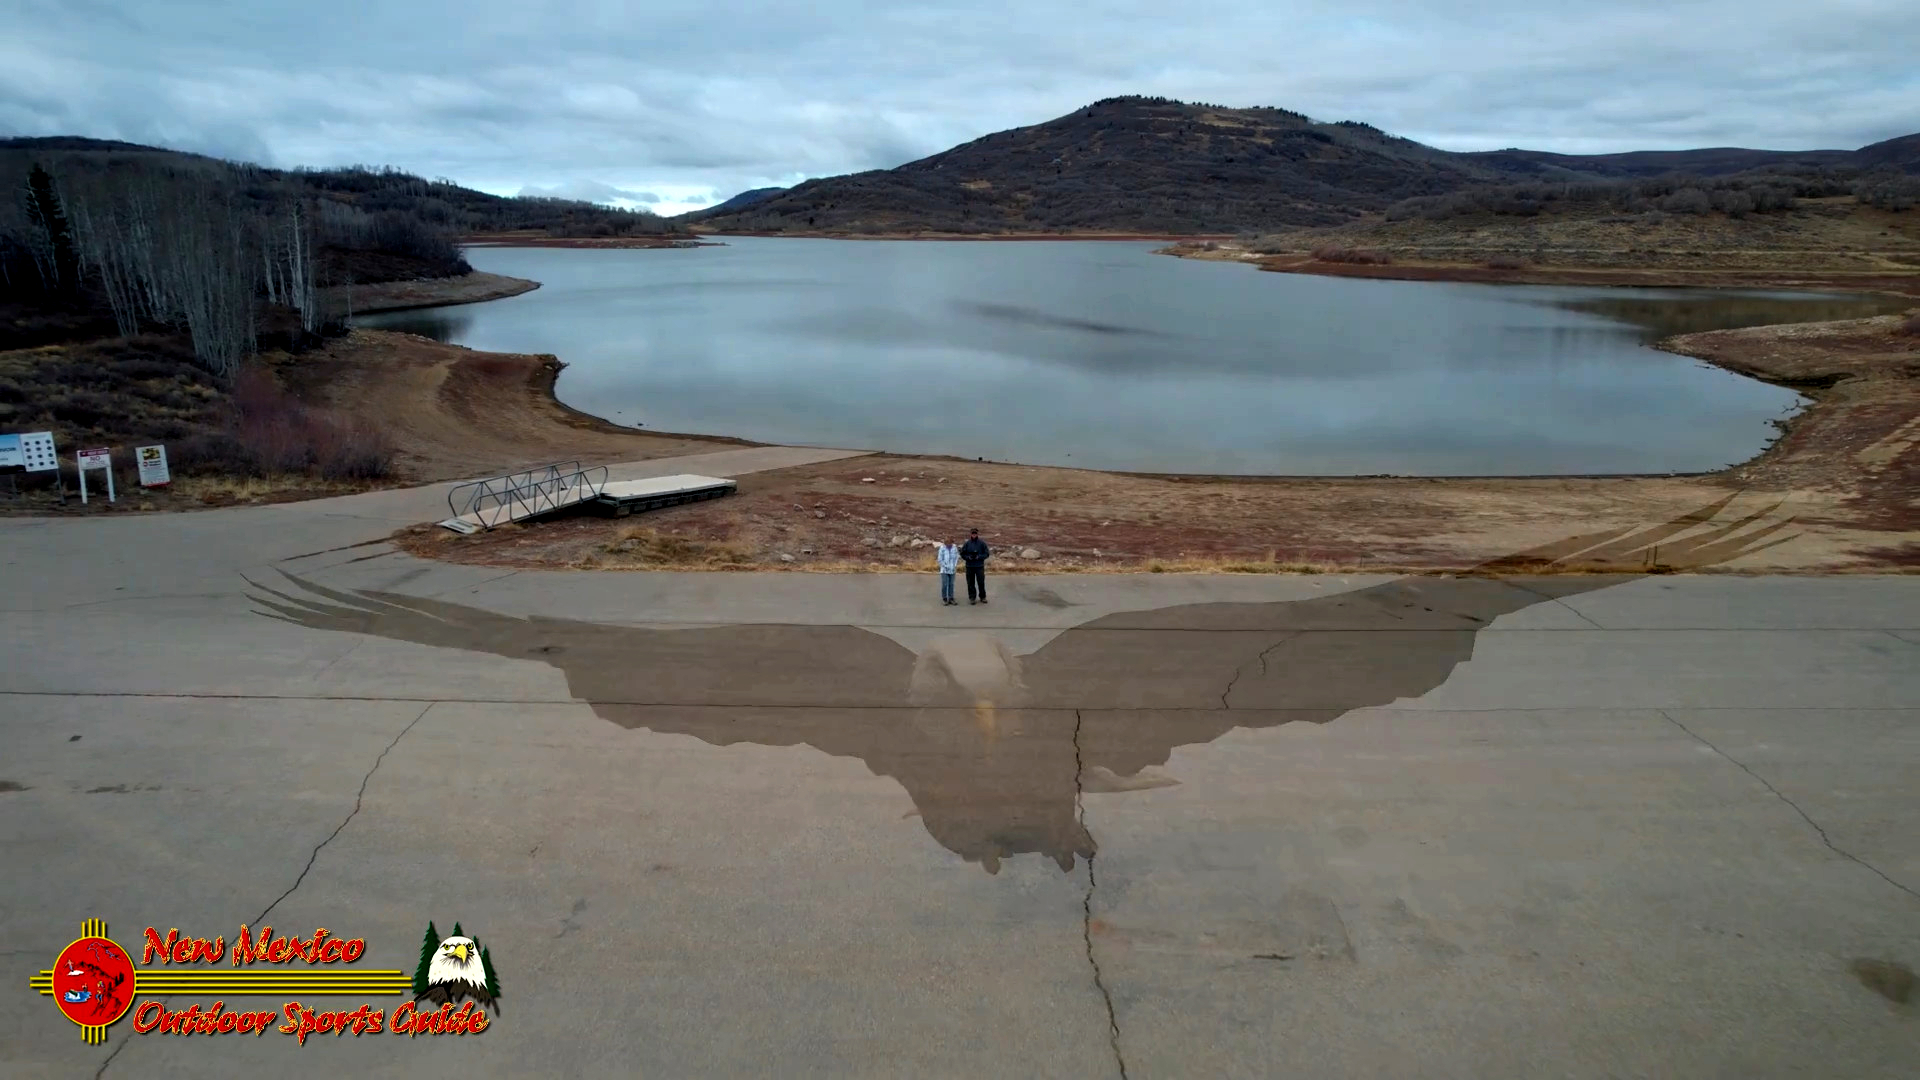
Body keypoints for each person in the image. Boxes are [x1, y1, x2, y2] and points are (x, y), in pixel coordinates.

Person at [959, 528, 990, 605]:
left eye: (975, 533)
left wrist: (978, 557)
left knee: (981, 582)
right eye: (973, 533)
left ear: (977, 534)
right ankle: (972, 597)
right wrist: (968, 557)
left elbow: (987, 554)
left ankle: (982, 597)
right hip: (969, 566)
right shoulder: (967, 544)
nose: (974, 535)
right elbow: (962, 554)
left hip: (979, 566)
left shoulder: (982, 543)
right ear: (970, 534)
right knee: (970, 583)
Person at [935, 538, 960, 606]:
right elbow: (940, 559)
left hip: (952, 569)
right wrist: (945, 566)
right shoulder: (942, 548)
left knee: (951, 584)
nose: (949, 545)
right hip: (944, 570)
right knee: (945, 584)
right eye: (947, 544)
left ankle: (951, 598)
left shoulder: (954, 547)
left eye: (950, 543)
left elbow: (957, 557)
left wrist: (955, 565)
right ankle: (945, 598)